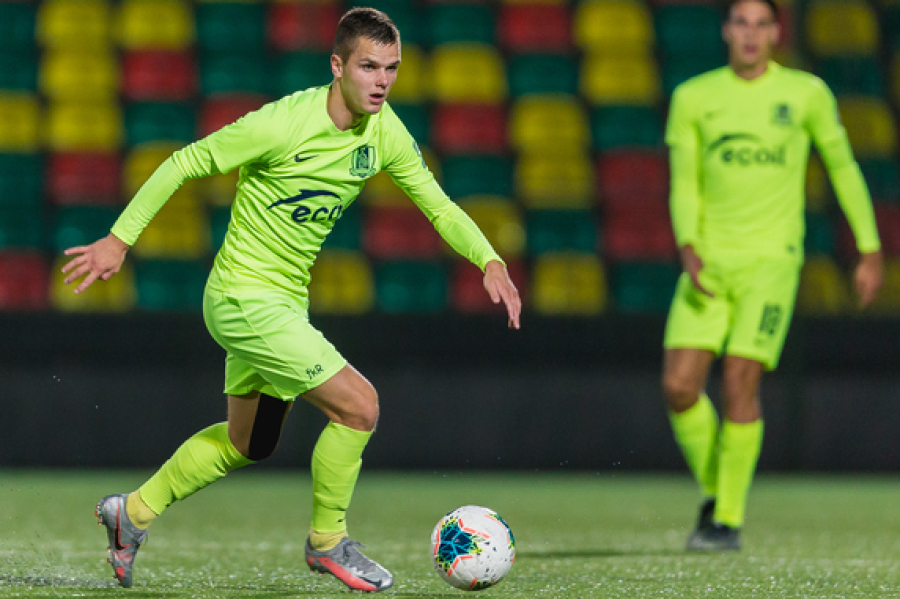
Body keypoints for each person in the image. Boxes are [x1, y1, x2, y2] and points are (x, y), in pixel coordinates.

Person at [62, 7, 521, 592]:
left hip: (281, 302)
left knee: (247, 442)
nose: (381, 81)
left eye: (392, 68)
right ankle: (328, 542)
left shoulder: (384, 133)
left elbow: (438, 205)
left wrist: (489, 259)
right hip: (242, 297)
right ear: (337, 66)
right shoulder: (281, 124)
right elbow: (184, 162)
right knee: (359, 407)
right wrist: (118, 240)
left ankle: (130, 514)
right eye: (368, 67)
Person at [662, 0, 882, 551]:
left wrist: (870, 248)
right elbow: (684, 182)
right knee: (679, 388)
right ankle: (720, 490)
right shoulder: (693, 97)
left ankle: (725, 521)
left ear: (776, 32)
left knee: (740, 380)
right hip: (709, 260)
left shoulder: (805, 93)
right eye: (742, 22)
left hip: (771, 263)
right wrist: (687, 245)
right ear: (726, 30)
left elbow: (843, 167)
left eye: (762, 24)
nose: (751, 34)